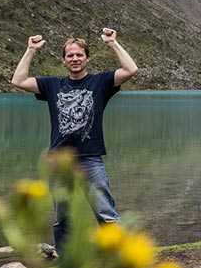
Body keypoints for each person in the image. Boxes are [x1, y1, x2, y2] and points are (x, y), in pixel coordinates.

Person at [10, 27, 139, 253]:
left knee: (105, 212)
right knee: (63, 218)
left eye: (79, 54)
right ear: (64, 60)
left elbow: (131, 69)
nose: (75, 59)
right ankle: (65, 258)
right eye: (70, 55)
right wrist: (30, 49)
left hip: (90, 157)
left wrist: (113, 43)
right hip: (59, 161)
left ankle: (121, 255)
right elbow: (18, 80)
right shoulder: (52, 85)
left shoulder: (101, 82)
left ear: (87, 58)